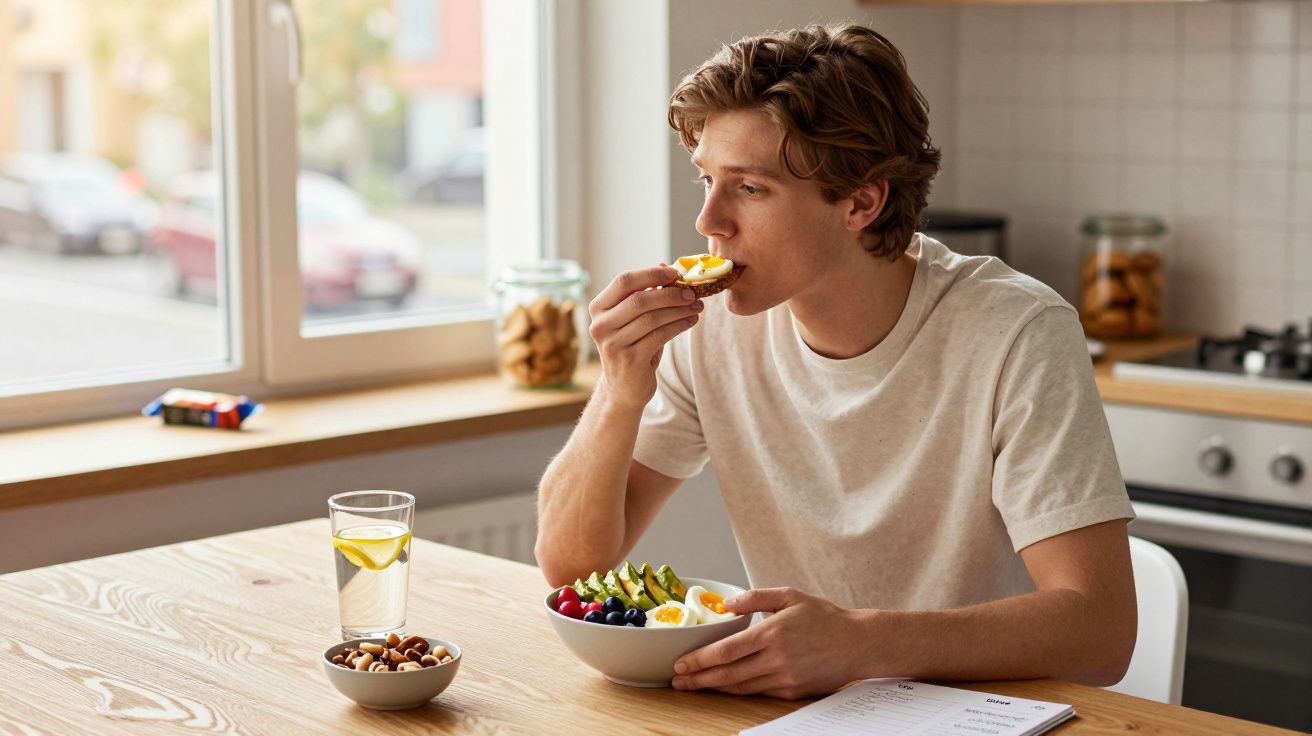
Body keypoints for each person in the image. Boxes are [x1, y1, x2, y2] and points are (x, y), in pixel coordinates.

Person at [535, 22, 1136, 700]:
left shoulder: (1016, 333)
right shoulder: (710, 335)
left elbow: (1101, 630)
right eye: (707, 178)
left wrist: (861, 644)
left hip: (990, 713)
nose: (708, 221)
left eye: (749, 188)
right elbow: (569, 566)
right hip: (810, 713)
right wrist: (621, 390)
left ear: (861, 201)